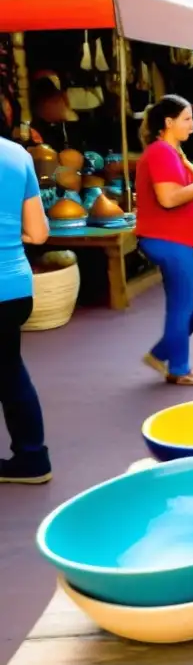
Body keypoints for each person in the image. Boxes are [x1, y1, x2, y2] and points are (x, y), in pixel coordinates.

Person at [135, 94, 193, 386]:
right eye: (187, 119)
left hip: (182, 239)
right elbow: (168, 197)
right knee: (183, 305)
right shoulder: (160, 152)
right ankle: (179, 368)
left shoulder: (172, 152)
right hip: (169, 240)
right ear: (168, 122)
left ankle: (163, 353)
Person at [0, 136, 51, 483]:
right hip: (15, 288)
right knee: (9, 371)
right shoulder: (16, 153)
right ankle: (32, 458)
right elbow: (38, 232)